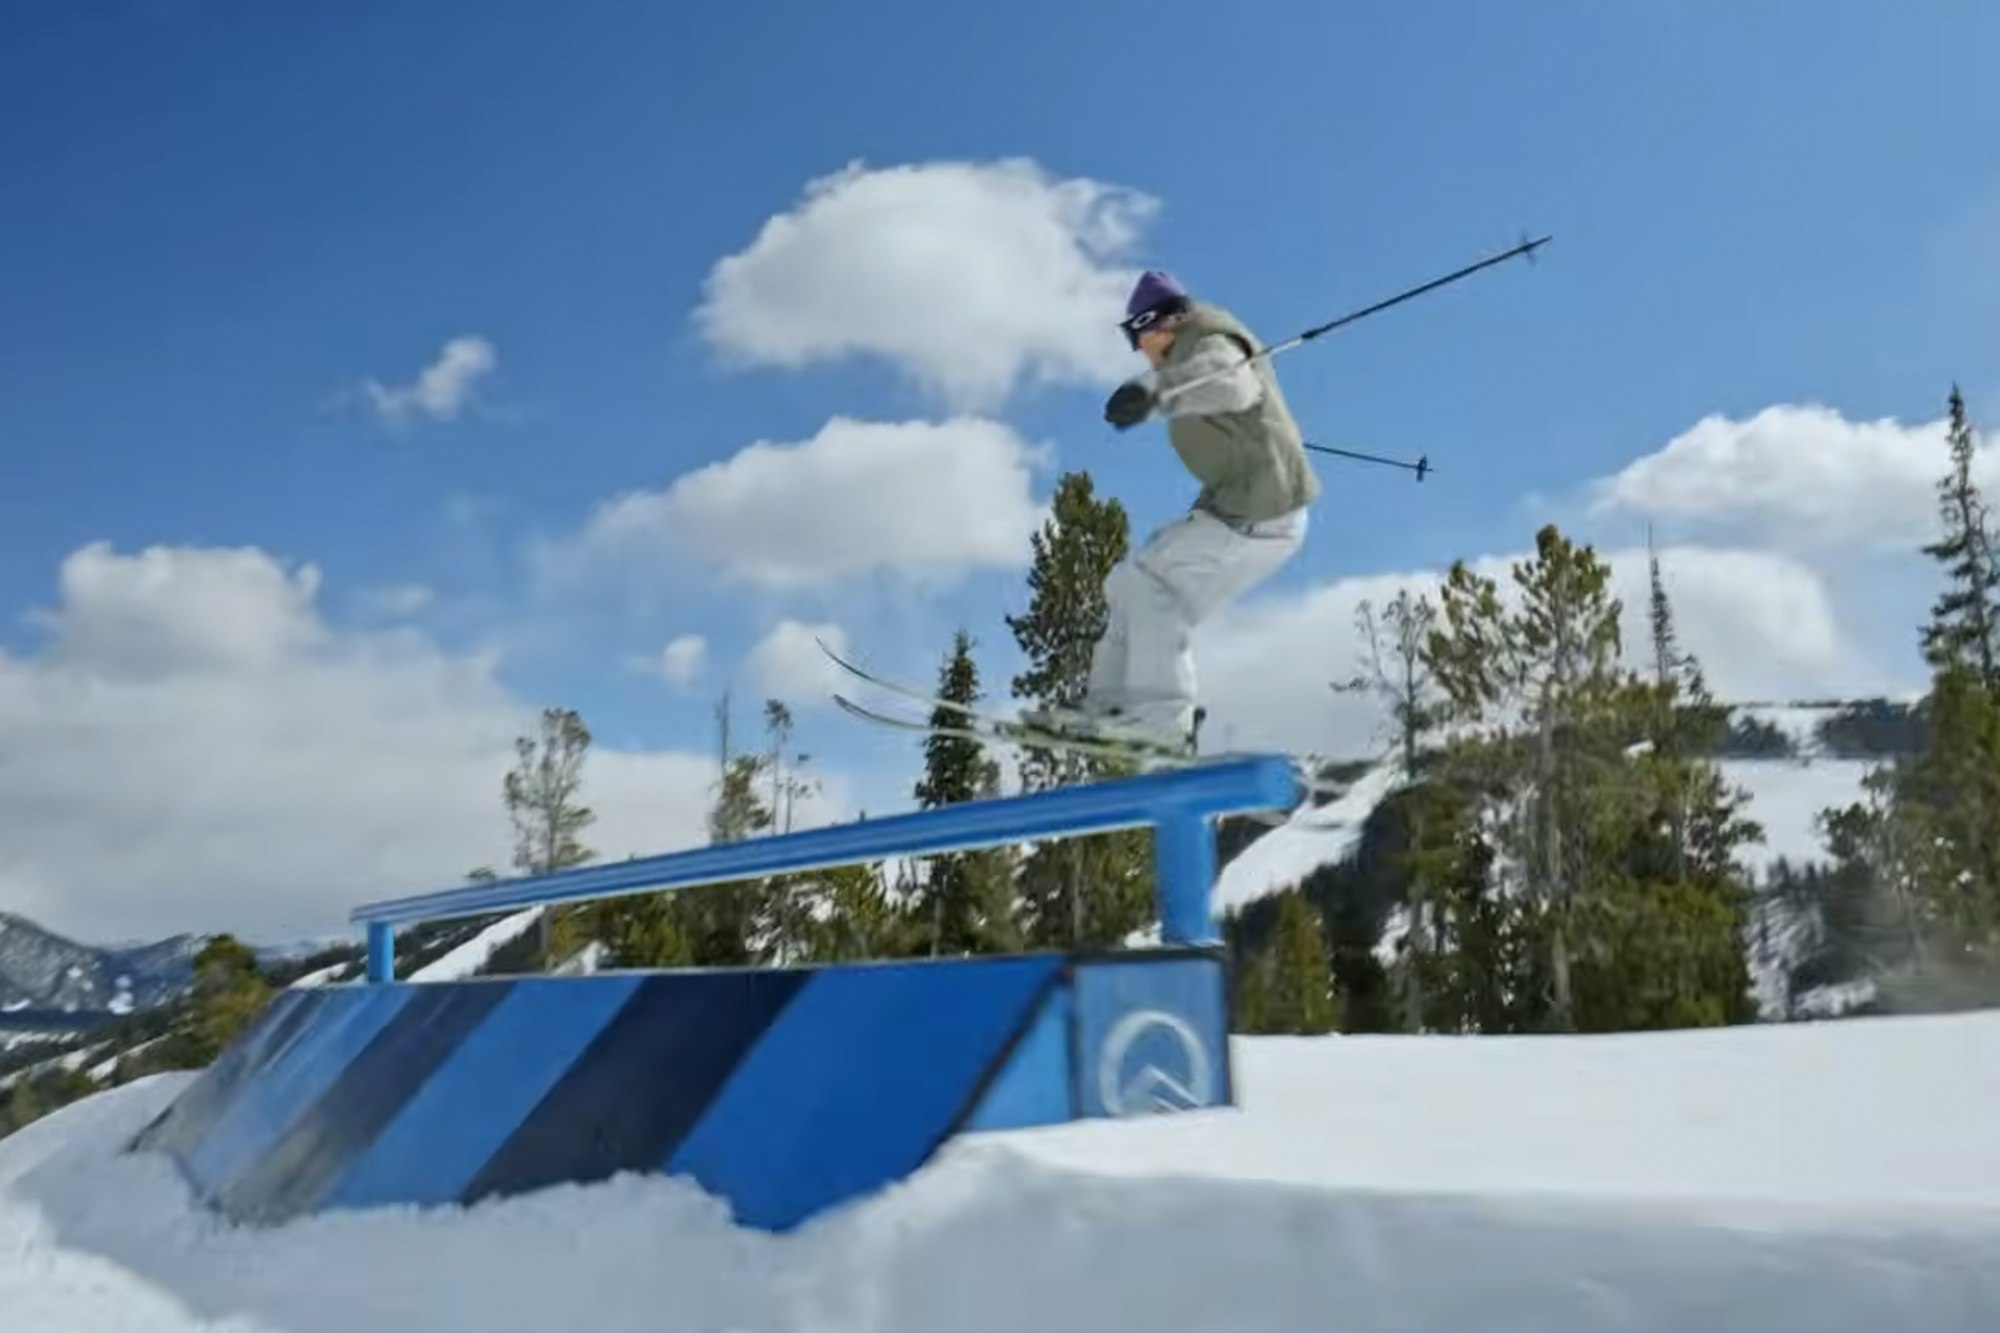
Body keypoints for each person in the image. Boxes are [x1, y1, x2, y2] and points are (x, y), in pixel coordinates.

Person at [1027, 270, 1319, 757]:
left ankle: (1164, 722)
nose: (1138, 350)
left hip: (1262, 522)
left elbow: (1233, 385)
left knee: (1151, 587)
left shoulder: (1207, 341)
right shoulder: (1189, 349)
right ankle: (1107, 705)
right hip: (1239, 515)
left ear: (1158, 323)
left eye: (1134, 336)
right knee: (1128, 583)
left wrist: (1155, 392)